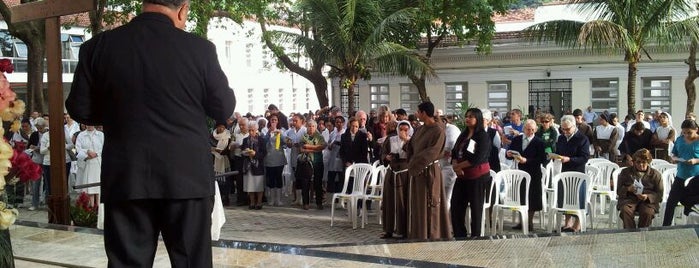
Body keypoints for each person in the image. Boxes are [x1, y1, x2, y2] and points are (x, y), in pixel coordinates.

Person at [65, 1, 236, 266]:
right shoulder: (200, 49)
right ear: (182, 9)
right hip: (186, 178)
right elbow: (223, 107)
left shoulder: (97, 47)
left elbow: (79, 108)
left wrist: (117, 114)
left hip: (127, 175)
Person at [405, 101, 452, 240]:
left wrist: (414, 163)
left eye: (418, 112)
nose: (416, 114)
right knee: (418, 203)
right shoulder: (420, 129)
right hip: (418, 171)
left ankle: (433, 234)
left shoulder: (438, 130)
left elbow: (432, 152)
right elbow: (411, 145)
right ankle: (419, 233)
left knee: (431, 203)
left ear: (424, 113)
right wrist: (409, 155)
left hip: (430, 171)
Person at [451, 108, 492, 238]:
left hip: (477, 177)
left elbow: (477, 158)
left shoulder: (482, 136)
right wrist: (454, 164)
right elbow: (454, 151)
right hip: (462, 176)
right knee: (456, 206)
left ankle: (475, 237)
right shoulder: (464, 134)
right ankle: (460, 235)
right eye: (467, 116)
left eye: (471, 117)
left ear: (478, 119)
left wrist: (458, 166)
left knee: (476, 209)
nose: (468, 119)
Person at [506, 119, 546, 231]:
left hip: (533, 173)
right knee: (521, 196)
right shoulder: (517, 139)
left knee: (532, 197)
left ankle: (529, 222)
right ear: (524, 129)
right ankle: (521, 221)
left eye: (533, 130)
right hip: (519, 172)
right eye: (528, 129)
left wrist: (526, 160)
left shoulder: (539, 142)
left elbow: (542, 159)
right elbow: (509, 154)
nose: (531, 132)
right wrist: (509, 154)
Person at [555, 115, 590, 232]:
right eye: (563, 129)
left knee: (578, 198)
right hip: (564, 171)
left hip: (578, 172)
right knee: (564, 197)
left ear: (574, 126)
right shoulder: (561, 138)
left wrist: (569, 159)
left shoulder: (582, 138)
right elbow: (558, 151)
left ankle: (577, 224)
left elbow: (584, 157)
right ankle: (567, 223)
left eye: (567, 129)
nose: (565, 132)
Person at [663, 119, 699, 226]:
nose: (686, 135)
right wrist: (674, 158)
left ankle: (691, 222)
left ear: (696, 130)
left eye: (689, 132)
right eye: (684, 132)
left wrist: (696, 160)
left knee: (691, 200)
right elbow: (673, 154)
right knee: (671, 202)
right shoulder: (679, 140)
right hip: (681, 176)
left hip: (696, 177)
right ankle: (665, 227)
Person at [616, 149, 663, 229]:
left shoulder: (655, 175)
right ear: (634, 162)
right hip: (629, 199)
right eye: (638, 162)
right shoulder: (625, 172)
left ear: (648, 162)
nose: (641, 165)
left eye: (644, 162)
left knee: (648, 212)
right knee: (625, 210)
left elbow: (659, 194)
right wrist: (628, 189)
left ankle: (642, 232)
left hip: (647, 202)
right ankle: (631, 234)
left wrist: (647, 196)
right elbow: (618, 191)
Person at [380, 121, 412, 239]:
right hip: (392, 172)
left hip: (404, 174)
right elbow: (383, 153)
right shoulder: (390, 140)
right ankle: (388, 229)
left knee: (402, 202)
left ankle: (402, 229)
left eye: (405, 129)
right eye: (401, 129)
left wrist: (407, 141)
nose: (403, 132)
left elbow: (413, 155)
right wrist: (386, 157)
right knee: (389, 201)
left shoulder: (412, 141)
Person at [299, 120, 327, 210]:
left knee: (318, 183)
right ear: (307, 127)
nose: (311, 128)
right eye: (309, 126)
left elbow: (322, 147)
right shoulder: (304, 136)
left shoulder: (319, 136)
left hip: (318, 162)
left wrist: (308, 146)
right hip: (307, 162)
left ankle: (319, 202)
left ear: (316, 127)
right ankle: (306, 203)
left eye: (313, 126)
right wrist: (315, 149)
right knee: (305, 182)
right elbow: (301, 149)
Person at [75, 125, 105, 206]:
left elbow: (103, 147)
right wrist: (87, 152)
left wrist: (96, 154)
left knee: (98, 186)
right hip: (87, 162)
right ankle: (92, 207)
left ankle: (99, 207)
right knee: (89, 186)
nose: (89, 125)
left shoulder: (100, 134)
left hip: (98, 162)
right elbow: (78, 148)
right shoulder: (81, 135)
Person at [241, 121, 267, 210]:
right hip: (248, 165)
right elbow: (242, 151)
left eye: (253, 130)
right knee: (250, 184)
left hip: (258, 165)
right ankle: (252, 202)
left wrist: (255, 154)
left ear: (256, 130)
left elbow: (264, 153)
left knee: (258, 185)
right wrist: (246, 153)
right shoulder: (245, 140)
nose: (251, 132)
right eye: (250, 130)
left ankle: (259, 202)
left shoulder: (261, 140)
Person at [264, 114, 287, 206]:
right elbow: (263, 142)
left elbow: (285, 143)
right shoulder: (265, 130)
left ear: (278, 121)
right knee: (271, 178)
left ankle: (278, 199)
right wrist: (269, 133)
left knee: (278, 177)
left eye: (275, 120)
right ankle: (272, 199)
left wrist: (280, 134)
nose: (273, 121)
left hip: (279, 158)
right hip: (269, 158)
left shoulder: (282, 131)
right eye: (272, 120)